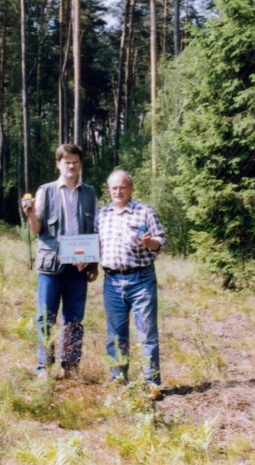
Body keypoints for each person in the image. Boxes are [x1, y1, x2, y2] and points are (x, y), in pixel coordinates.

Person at [22, 143, 98, 379]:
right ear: (58, 164)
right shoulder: (46, 191)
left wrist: (92, 262)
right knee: (46, 317)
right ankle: (44, 367)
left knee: (74, 318)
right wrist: (30, 214)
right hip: (51, 265)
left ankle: (71, 367)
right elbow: (37, 230)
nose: (71, 166)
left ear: (80, 164)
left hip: (79, 267)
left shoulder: (90, 193)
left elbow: (95, 229)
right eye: (67, 162)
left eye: (75, 162)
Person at [95, 169, 167, 399]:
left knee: (147, 333)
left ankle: (151, 382)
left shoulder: (144, 212)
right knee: (116, 335)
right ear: (109, 190)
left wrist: (151, 242)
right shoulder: (102, 215)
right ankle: (118, 378)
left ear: (131, 188)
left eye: (122, 187)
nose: (118, 191)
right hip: (112, 281)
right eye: (114, 188)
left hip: (141, 280)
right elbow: (92, 244)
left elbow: (161, 241)